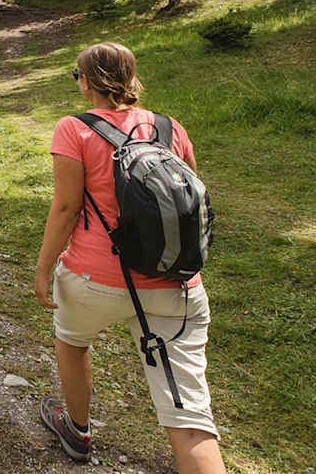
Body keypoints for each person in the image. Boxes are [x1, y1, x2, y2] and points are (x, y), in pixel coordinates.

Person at [35, 42, 225, 473]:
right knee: (190, 415)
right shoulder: (168, 127)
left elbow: (66, 208)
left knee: (72, 340)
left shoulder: (74, 128)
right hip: (175, 281)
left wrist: (45, 267)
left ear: (85, 82)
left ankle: (77, 429)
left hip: (94, 279)